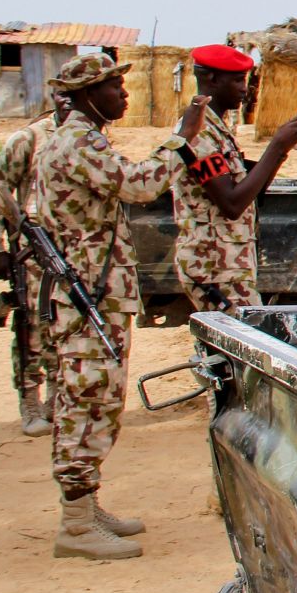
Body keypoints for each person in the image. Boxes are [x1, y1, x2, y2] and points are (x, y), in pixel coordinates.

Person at [33, 53, 207, 560]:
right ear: (89, 94)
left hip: (97, 293)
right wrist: (181, 138)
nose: (124, 95)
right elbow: (140, 184)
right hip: (87, 297)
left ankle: (86, 505)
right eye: (114, 86)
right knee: (86, 401)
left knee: (96, 400)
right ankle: (76, 525)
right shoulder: (75, 143)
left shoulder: (83, 139)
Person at [170, 45, 297, 313]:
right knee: (244, 346)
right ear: (211, 79)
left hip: (227, 265)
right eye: (236, 80)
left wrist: (281, 152)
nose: (245, 88)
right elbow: (231, 204)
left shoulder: (216, 129)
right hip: (215, 268)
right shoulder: (198, 133)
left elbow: (249, 194)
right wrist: (276, 147)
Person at [0, 95, 71, 437]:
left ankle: (57, 401)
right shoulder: (28, 139)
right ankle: (30, 401)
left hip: (73, 253)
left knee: (67, 327)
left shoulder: (89, 137)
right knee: (32, 328)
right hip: (32, 254)